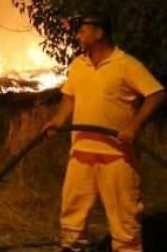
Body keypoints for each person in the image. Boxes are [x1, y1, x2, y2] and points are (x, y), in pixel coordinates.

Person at [42, 14, 166, 251]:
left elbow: (156, 94)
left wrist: (134, 126)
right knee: (72, 212)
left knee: (124, 218)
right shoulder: (78, 64)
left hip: (117, 156)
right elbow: (70, 97)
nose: (78, 35)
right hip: (81, 153)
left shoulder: (126, 65)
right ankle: (73, 247)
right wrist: (58, 120)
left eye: (83, 31)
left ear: (99, 33)